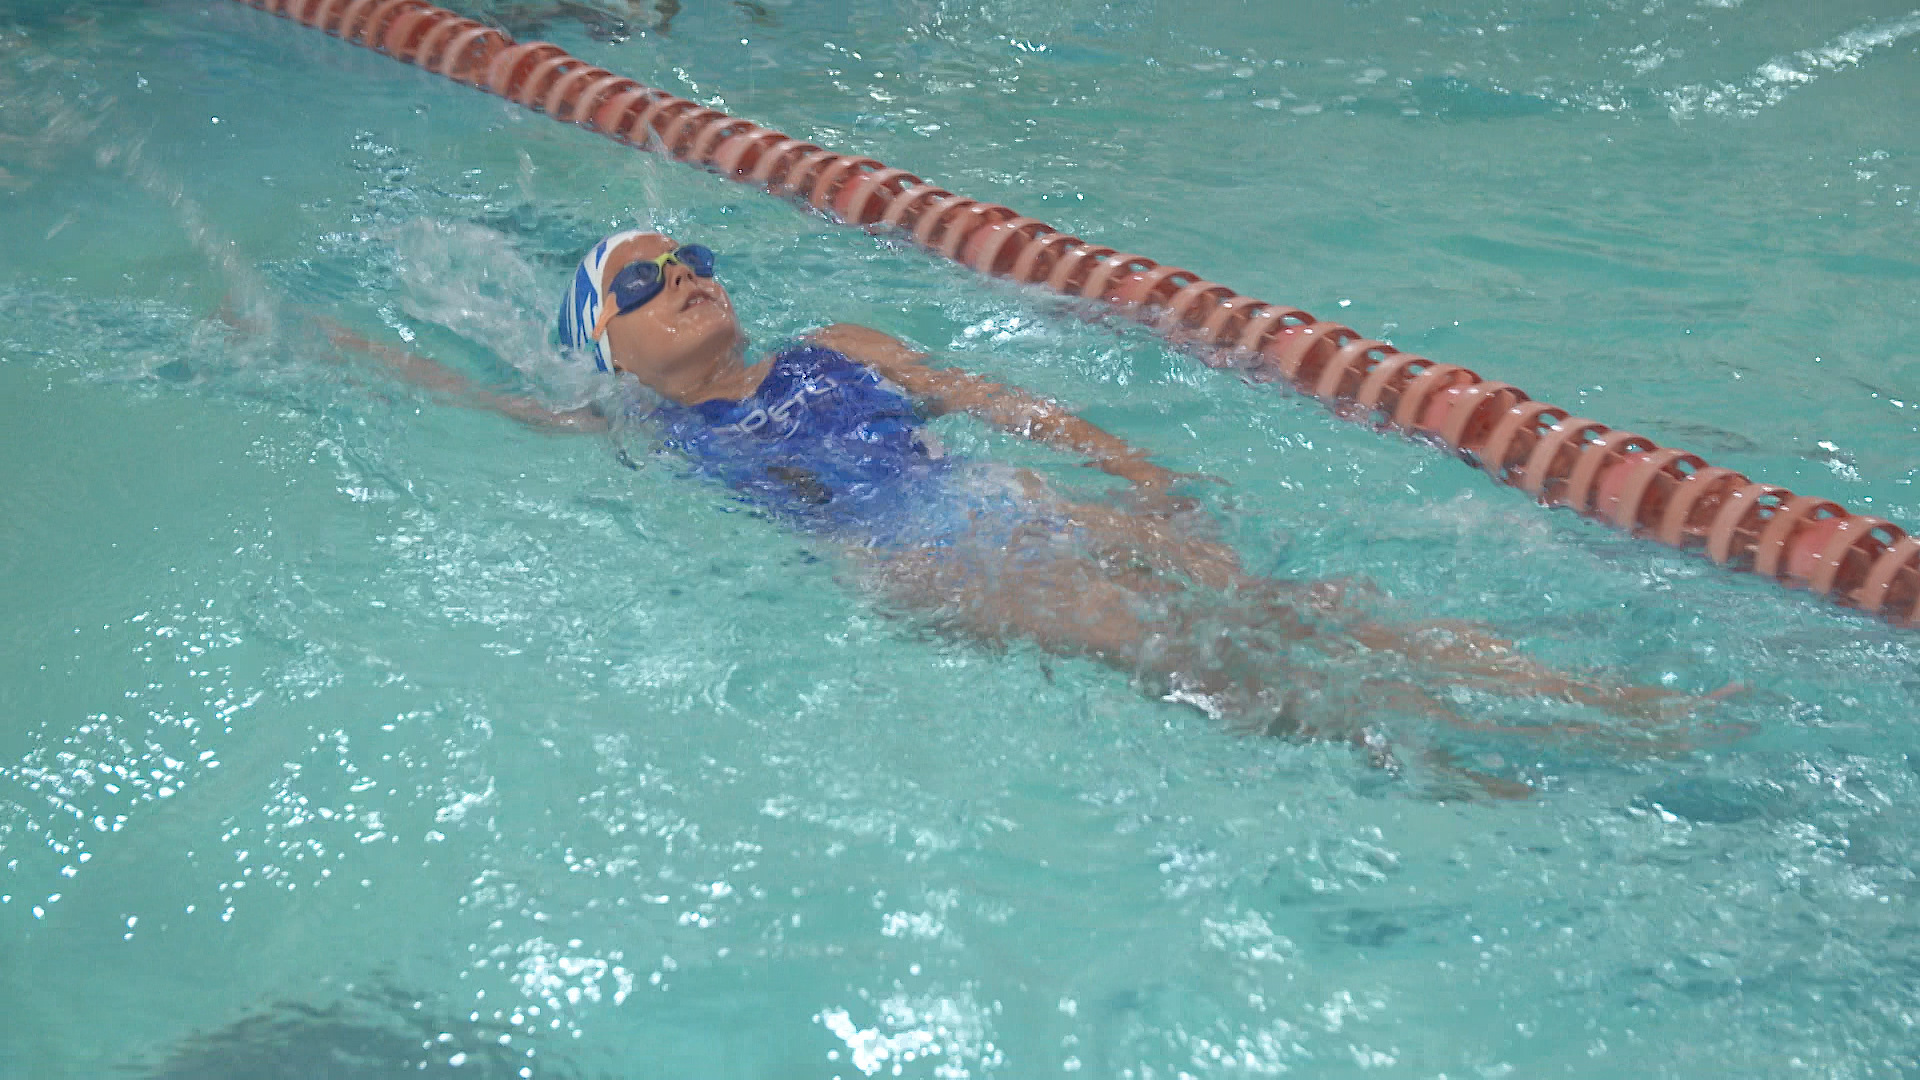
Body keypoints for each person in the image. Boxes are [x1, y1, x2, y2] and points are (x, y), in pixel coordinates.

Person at [328, 228, 1721, 787]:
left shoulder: (848, 346)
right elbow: (478, 406)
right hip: (919, 563)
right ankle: (1457, 763)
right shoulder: (640, 429)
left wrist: (1133, 472)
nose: (680, 277)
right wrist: (318, 344)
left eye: (687, 258)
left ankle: (1595, 702)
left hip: (1001, 498)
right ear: (608, 347)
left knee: (1295, 608)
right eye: (638, 286)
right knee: (1201, 663)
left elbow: (999, 404)